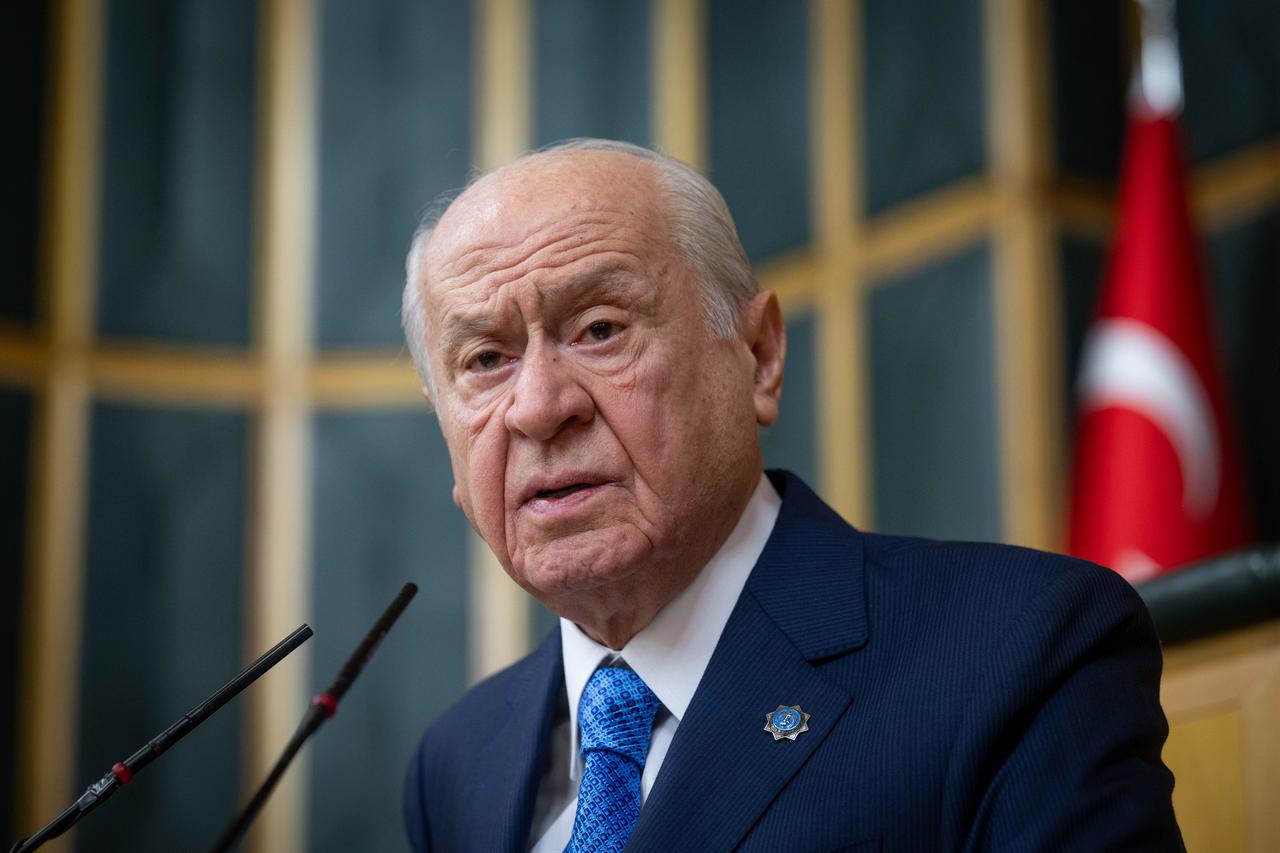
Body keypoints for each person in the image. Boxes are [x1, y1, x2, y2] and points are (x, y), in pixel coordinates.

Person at [400, 139, 1183, 852]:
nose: (538, 405)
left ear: (759, 355)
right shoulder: (458, 763)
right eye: (486, 359)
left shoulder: (1020, 652)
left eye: (601, 328)